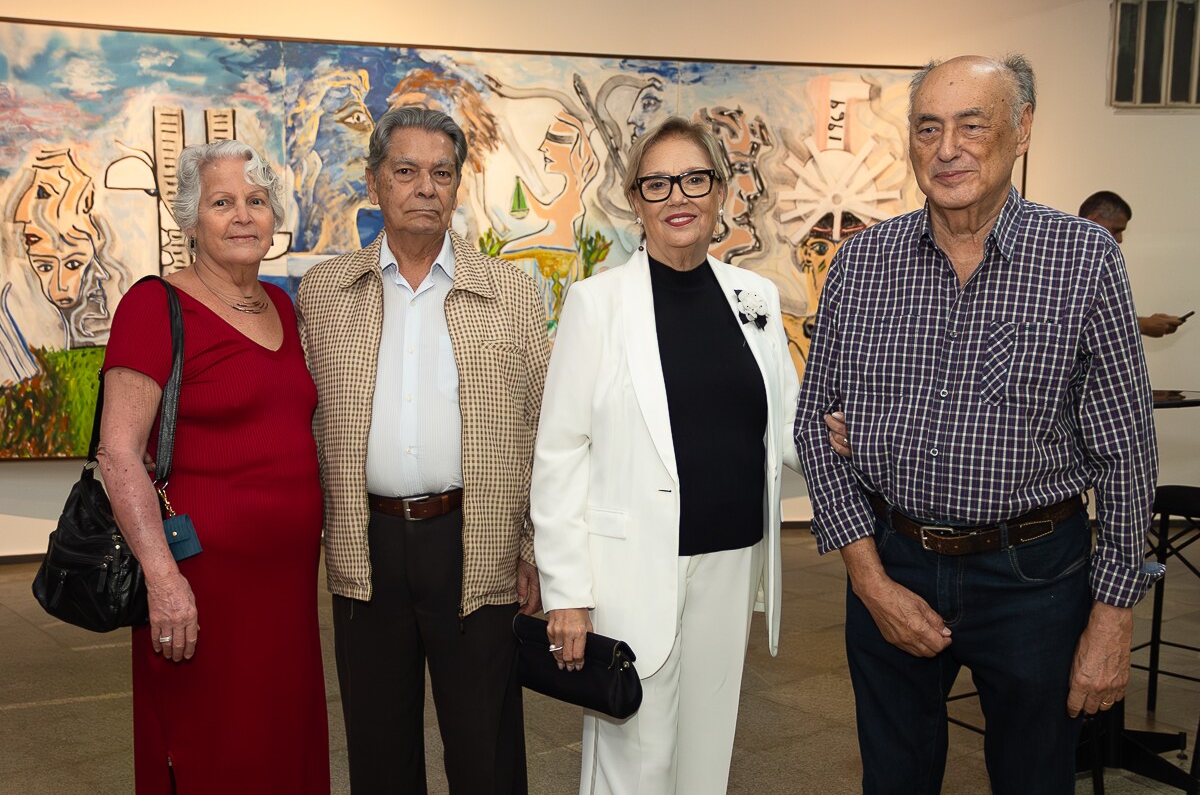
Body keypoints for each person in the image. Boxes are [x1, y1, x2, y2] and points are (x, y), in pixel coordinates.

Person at [794, 56, 1159, 795]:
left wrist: (1112, 619)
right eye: (929, 127)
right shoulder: (861, 265)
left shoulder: (1083, 261)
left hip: (1035, 579)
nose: (948, 147)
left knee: (1033, 780)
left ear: (1021, 129)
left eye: (972, 124)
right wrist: (870, 581)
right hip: (893, 559)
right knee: (893, 780)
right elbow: (813, 432)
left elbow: (1125, 453)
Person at [532, 116, 801, 795]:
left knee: (706, 752)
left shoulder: (756, 299)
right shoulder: (597, 305)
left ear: (720, 191)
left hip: (731, 562)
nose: (677, 195)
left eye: (693, 178)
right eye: (657, 184)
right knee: (635, 759)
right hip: (631, 568)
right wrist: (568, 594)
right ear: (635, 200)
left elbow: (789, 427)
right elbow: (560, 453)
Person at [295, 106, 550, 794]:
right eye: (406, 171)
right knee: (379, 752)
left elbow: (541, 428)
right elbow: (298, 420)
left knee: (486, 751)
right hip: (365, 546)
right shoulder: (324, 292)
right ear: (376, 182)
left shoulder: (512, 292)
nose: (425, 188)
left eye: (441, 173)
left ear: (458, 185)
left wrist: (531, 551)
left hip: (476, 543)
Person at [96, 140, 329, 793]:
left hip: (284, 594)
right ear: (191, 218)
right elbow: (118, 454)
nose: (243, 216)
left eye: (256, 200)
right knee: (213, 753)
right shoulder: (154, 307)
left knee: (281, 742)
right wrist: (162, 578)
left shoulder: (284, 308)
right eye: (222, 202)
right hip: (200, 592)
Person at [1079, 190, 1186, 337]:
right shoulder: (1060, 263)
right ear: (1094, 220)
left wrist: (1143, 322)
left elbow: (1102, 318)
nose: (1120, 239)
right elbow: (1073, 325)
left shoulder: (1101, 265)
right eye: (1116, 230)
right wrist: (1140, 325)